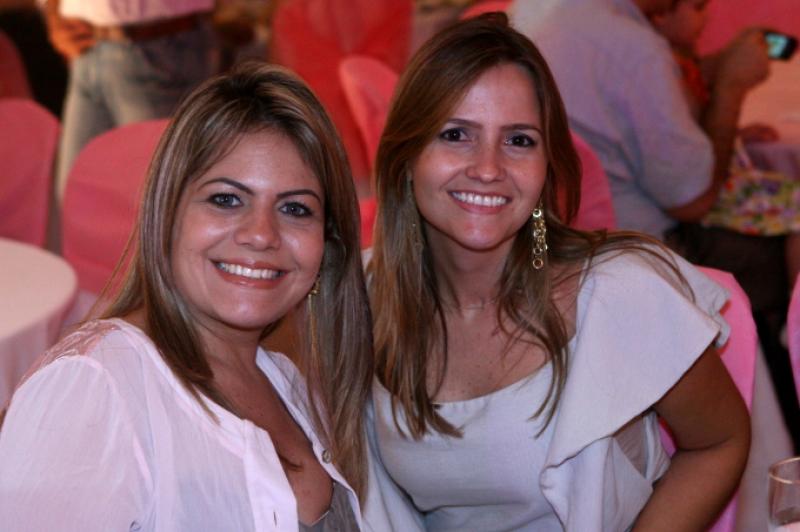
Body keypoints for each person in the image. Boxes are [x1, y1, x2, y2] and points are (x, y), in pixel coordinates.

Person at [362, 14, 750, 531]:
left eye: (519, 141)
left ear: (547, 166)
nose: (488, 168)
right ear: (406, 156)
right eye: (456, 135)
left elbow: (719, 441)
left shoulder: (616, 293)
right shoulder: (364, 297)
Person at [0, 62, 372, 531]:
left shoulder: (288, 382)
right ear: (167, 213)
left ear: (326, 244)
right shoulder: (97, 389)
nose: (261, 234)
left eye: (296, 209)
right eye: (226, 199)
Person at [44, 0, 216, 201]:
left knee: (163, 201)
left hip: (159, 44)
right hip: (88, 49)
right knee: (74, 203)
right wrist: (54, 10)